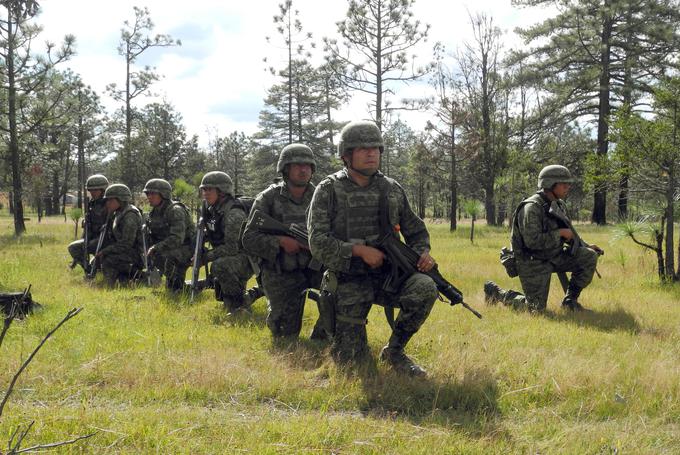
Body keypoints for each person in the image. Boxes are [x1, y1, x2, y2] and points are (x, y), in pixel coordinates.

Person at [307, 120, 438, 377]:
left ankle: (395, 351)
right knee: (352, 364)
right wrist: (358, 251)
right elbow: (318, 242)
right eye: (362, 148)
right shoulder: (329, 190)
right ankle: (332, 330)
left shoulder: (391, 189)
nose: (371, 153)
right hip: (347, 280)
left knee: (425, 287)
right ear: (346, 155)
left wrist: (423, 253)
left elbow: (416, 230)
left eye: (375, 148)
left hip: (387, 277)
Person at [484, 165, 603, 312]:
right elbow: (532, 241)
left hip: (555, 256)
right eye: (564, 184)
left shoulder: (559, 204)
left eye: (568, 184)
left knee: (588, 256)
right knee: (535, 309)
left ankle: (570, 301)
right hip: (532, 261)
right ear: (550, 184)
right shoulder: (531, 208)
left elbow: (569, 233)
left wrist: (585, 245)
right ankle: (497, 293)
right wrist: (559, 234)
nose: (568, 187)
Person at [242, 143, 328, 341]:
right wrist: (280, 241)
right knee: (284, 334)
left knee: (345, 290)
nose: (303, 169)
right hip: (281, 272)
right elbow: (248, 239)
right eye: (297, 165)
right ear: (285, 169)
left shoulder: (321, 197)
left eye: (307, 165)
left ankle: (321, 337)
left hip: (315, 267)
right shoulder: (268, 198)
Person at [198, 171, 254, 313]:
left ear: (222, 191)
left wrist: (205, 257)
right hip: (234, 255)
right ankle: (237, 300)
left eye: (209, 189)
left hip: (250, 258)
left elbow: (232, 248)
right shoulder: (210, 208)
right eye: (204, 189)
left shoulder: (234, 213)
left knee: (220, 266)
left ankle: (239, 305)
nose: (205, 193)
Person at [143, 178, 195, 292]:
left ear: (163, 194)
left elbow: (177, 239)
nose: (149, 197)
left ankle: (177, 287)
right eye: (147, 193)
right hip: (171, 247)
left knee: (170, 256)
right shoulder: (154, 212)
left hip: (188, 248)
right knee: (154, 254)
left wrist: (156, 247)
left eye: (153, 193)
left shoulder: (175, 210)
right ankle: (171, 284)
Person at [97, 183, 144, 287]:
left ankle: (109, 286)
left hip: (138, 254)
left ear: (121, 200)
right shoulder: (119, 213)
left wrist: (106, 251)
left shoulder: (130, 216)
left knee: (109, 259)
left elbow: (126, 244)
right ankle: (123, 280)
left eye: (111, 200)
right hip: (129, 251)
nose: (107, 203)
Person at [68, 174, 109, 271]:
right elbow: (88, 229)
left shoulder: (109, 204)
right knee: (74, 248)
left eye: (95, 190)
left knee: (74, 248)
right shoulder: (92, 204)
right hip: (95, 239)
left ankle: (92, 270)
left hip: (106, 240)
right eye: (90, 190)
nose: (92, 193)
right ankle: (90, 270)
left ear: (103, 190)